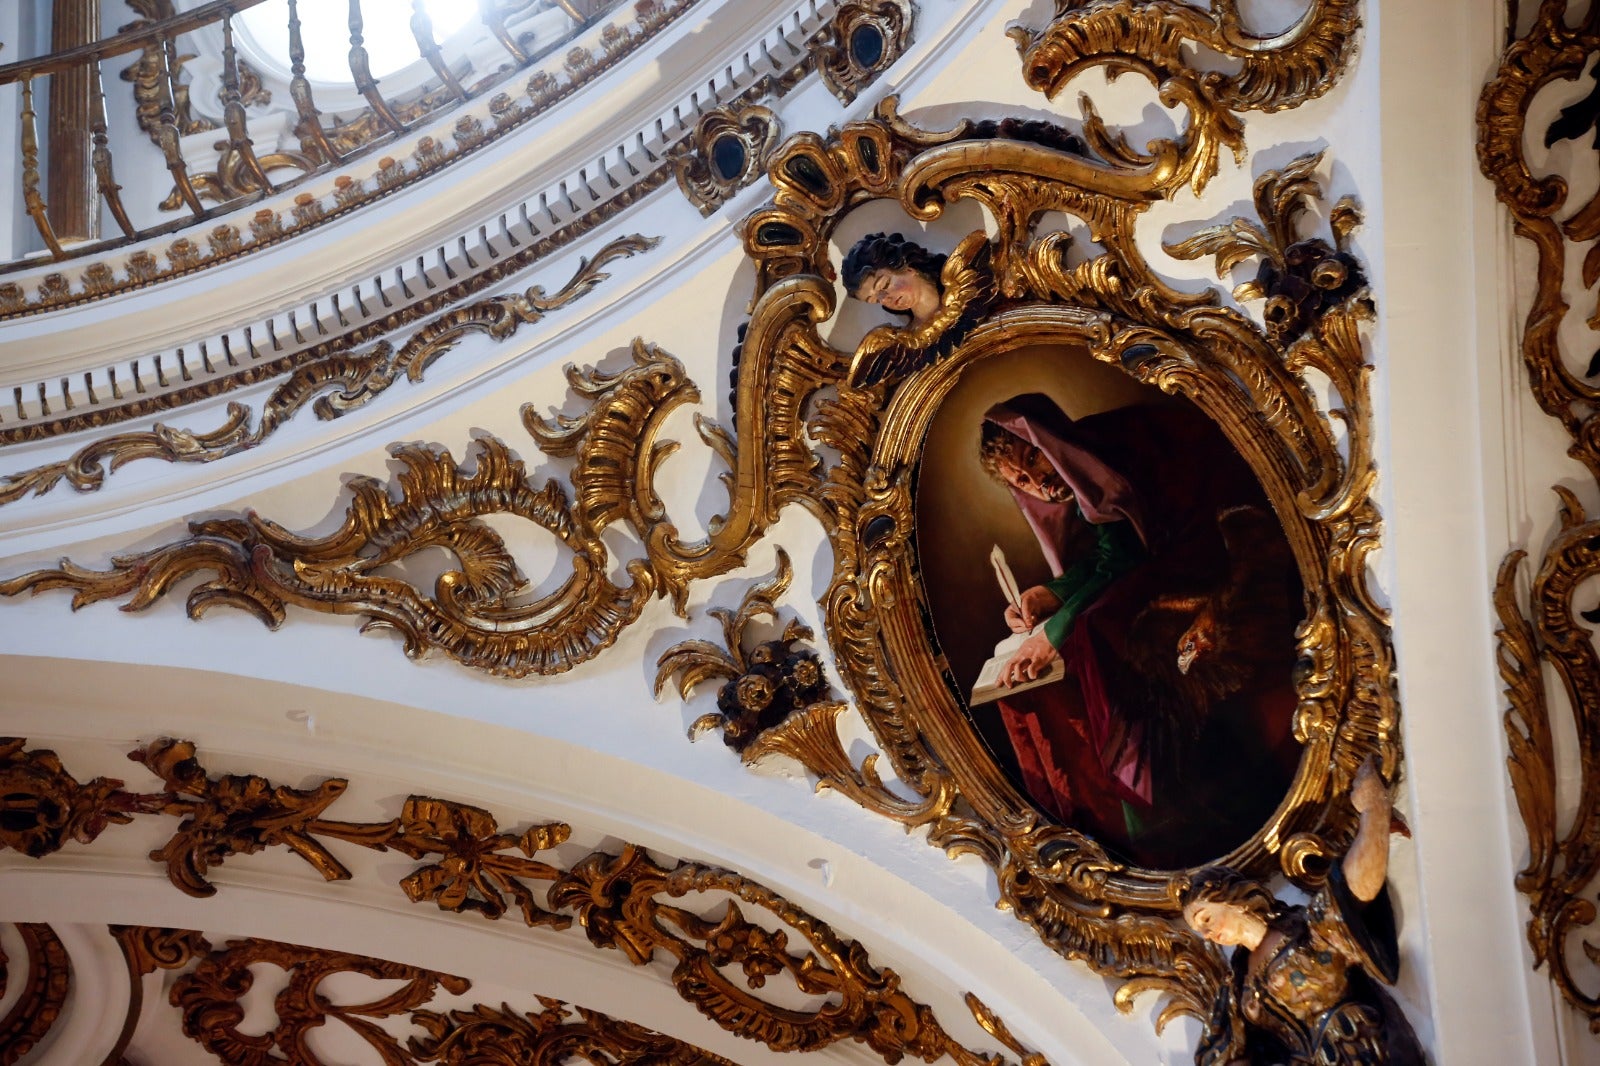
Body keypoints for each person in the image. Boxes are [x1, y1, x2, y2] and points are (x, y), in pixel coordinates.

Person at [978, 394, 1299, 865]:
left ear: (1046, 438)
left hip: (1216, 542)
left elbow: (1128, 558)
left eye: (1033, 458)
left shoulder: (1103, 450)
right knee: (1102, 622)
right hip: (1177, 553)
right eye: (1022, 481)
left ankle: (1163, 810)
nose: (1038, 483)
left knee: (1104, 627)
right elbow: (1115, 551)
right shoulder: (1082, 473)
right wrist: (1051, 594)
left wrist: (1052, 633)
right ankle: (1158, 817)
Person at [1179, 759, 1424, 1065]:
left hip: (1355, 1047)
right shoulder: (1237, 986)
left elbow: (1351, 892)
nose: (1207, 933)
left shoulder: (1301, 932)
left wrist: (1373, 812)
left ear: (1233, 898)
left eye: (1206, 918)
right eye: (1201, 930)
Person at [841, 232, 946, 328]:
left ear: (908, 269)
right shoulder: (908, 342)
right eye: (877, 300)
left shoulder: (960, 288)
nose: (885, 299)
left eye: (884, 285)